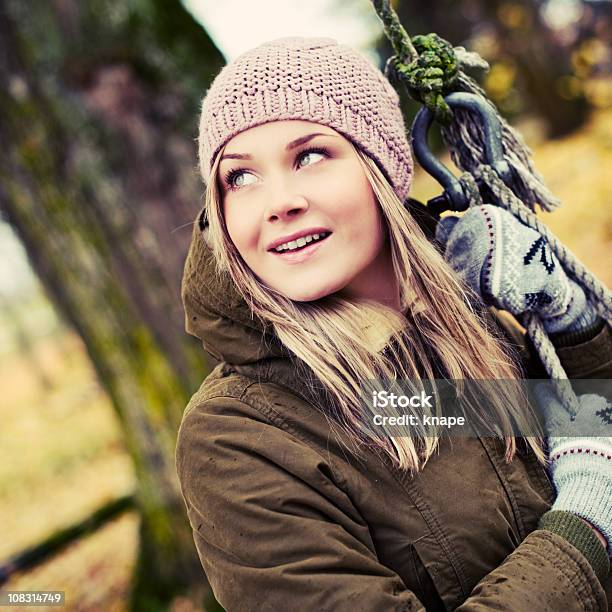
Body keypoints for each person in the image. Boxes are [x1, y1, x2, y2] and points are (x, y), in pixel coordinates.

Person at [175, 37, 612, 611]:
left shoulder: (466, 332)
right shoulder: (237, 441)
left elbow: (589, 425)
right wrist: (586, 529)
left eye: (309, 155)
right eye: (240, 178)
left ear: (381, 171)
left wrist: (571, 319)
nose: (278, 202)